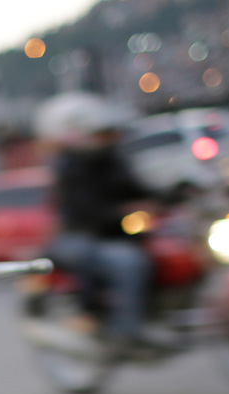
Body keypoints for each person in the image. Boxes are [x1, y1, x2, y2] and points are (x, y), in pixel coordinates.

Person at [39, 93, 170, 356]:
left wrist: (172, 195)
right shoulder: (71, 167)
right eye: (102, 133)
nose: (109, 138)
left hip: (114, 235)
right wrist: (123, 214)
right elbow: (86, 211)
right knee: (129, 262)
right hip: (80, 237)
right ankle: (123, 330)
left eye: (110, 133)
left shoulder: (113, 161)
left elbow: (139, 189)